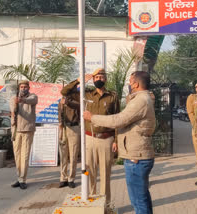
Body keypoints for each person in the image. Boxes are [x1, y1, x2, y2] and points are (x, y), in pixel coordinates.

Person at [83, 71, 156, 214]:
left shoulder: (140, 101)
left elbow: (118, 120)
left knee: (138, 200)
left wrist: (92, 117)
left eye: (130, 81)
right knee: (141, 198)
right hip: (135, 154)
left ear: (136, 83)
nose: (129, 84)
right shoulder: (140, 98)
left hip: (136, 157)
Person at [61, 68, 119, 203]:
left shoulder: (112, 96)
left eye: (101, 77)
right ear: (93, 80)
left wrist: (116, 139)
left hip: (106, 139)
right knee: (89, 172)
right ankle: (92, 201)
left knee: (105, 174)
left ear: (106, 79)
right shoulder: (86, 95)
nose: (99, 79)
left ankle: (105, 204)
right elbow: (64, 92)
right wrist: (78, 81)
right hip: (90, 138)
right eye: (96, 77)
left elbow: (117, 118)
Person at [10, 80, 38, 190]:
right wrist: (15, 106)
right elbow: (13, 111)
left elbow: (32, 101)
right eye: (21, 87)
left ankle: (23, 179)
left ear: (28, 87)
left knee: (25, 155)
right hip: (16, 129)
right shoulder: (13, 98)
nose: (23, 88)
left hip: (27, 129)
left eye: (25, 86)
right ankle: (19, 177)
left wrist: (22, 100)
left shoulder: (33, 96)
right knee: (17, 155)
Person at [58, 90, 80, 188]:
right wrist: (60, 123)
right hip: (63, 128)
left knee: (73, 155)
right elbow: (59, 113)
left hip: (74, 128)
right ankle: (63, 178)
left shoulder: (76, 100)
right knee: (63, 154)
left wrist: (67, 102)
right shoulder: (61, 101)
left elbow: (78, 106)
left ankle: (71, 178)